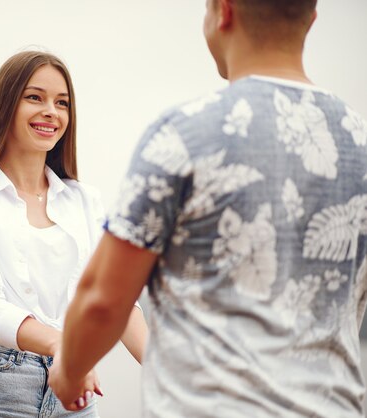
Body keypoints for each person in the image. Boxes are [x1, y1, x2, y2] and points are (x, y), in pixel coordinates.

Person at [49, 0, 367, 416]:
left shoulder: (185, 135)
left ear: (224, 11)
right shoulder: (358, 141)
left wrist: (68, 372)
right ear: (311, 19)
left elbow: (104, 299)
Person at [0, 50, 147, 417]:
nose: (51, 111)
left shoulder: (84, 201)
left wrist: (170, 371)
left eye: (62, 102)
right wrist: (63, 347)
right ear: (5, 106)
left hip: (76, 396)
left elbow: (115, 298)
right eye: (35, 97)